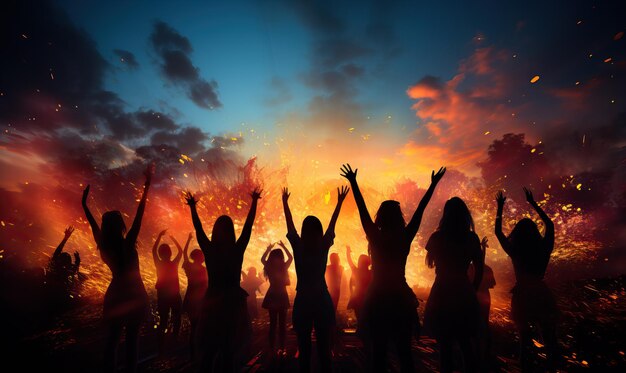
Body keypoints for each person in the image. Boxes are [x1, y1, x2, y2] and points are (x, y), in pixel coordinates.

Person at [340, 164, 445, 373]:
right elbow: (420, 211)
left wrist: (353, 182)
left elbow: (362, 211)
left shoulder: (375, 237)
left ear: (380, 217)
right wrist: (432, 185)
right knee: (404, 352)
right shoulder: (404, 236)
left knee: (378, 353)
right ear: (398, 217)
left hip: (377, 298)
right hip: (400, 297)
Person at [82, 164, 153, 373]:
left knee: (112, 341)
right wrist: (147, 187)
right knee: (132, 342)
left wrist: (84, 204)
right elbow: (140, 215)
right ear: (121, 225)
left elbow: (92, 223)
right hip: (134, 294)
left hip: (115, 294)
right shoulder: (128, 243)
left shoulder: (104, 245)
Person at [184, 187, 262, 373]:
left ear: (215, 231)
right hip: (232, 303)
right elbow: (248, 227)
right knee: (228, 349)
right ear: (230, 232)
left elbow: (199, 228)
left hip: (213, 301)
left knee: (211, 350)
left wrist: (193, 207)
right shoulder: (237, 249)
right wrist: (254, 202)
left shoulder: (210, 249)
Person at [282, 185, 349, 373]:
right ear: (319, 231)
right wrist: (339, 203)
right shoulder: (323, 245)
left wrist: (285, 203)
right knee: (323, 347)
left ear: (304, 230)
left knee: (304, 348)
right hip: (321, 298)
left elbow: (290, 226)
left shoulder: (298, 245)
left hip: (303, 299)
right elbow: (332, 225)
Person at [495, 188, 558, 372]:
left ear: (517, 235)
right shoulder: (544, 247)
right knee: (550, 339)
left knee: (524, 342)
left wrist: (500, 207)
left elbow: (498, 232)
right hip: (541, 292)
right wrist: (533, 203)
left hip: (522, 295)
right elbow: (550, 225)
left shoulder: (516, 251)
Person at [424, 197, 483, 373]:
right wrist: (473, 289)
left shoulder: (437, 237)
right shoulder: (472, 238)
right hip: (463, 289)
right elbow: (479, 268)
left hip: (442, 290)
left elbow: (429, 262)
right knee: (466, 343)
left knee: (445, 346)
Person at [152, 229, 183, 354]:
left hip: (163, 295)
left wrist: (159, 236)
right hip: (174, 295)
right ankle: (174, 341)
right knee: (177, 318)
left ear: (160, 254)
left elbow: (153, 250)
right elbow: (180, 251)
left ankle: (160, 346)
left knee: (163, 320)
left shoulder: (158, 263)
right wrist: (174, 239)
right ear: (170, 253)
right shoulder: (174, 263)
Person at [468, 237, 496, 371]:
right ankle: (485, 354)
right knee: (484, 323)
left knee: (472, 324)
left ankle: (477, 354)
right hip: (484, 297)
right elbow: (491, 285)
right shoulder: (486, 268)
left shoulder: (467, 268)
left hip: (474, 297)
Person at [261, 241, 293, 354]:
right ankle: (282, 347)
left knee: (273, 323)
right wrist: (284, 246)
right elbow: (290, 257)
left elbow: (262, 259)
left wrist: (268, 249)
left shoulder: (269, 266)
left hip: (272, 294)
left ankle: (271, 347)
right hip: (282, 294)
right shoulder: (283, 266)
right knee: (282, 323)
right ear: (281, 257)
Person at [179, 233, 207, 361]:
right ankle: (198, 352)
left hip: (190, 299)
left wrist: (189, 240)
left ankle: (192, 354)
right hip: (201, 300)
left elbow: (184, 254)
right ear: (202, 258)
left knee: (194, 326)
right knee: (200, 327)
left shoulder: (189, 267)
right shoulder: (204, 270)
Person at [46, 226, 81, 308]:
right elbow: (57, 252)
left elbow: (57, 253)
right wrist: (77, 262)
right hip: (54, 298)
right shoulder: (56, 268)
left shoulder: (61, 268)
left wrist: (66, 238)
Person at [345, 245, 371, 327]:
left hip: (357, 297)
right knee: (366, 315)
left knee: (360, 315)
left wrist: (348, 252)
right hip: (368, 296)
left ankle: (361, 328)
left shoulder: (356, 271)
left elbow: (349, 261)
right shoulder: (371, 272)